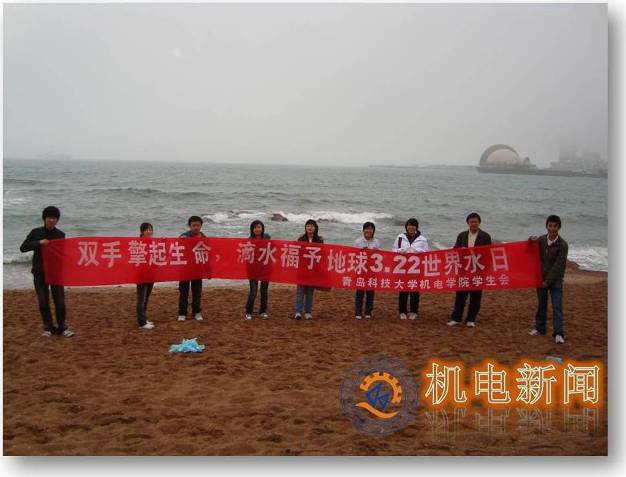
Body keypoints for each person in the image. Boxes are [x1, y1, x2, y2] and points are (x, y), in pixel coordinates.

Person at [20, 206, 74, 337]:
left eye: (54, 218)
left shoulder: (60, 235)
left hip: (56, 272)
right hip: (40, 272)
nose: (51, 220)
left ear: (57, 220)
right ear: (44, 219)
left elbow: (63, 253)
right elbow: (23, 247)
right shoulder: (36, 232)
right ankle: (48, 328)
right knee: (43, 301)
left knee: (60, 301)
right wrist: (39, 242)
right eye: (49, 218)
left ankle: (62, 328)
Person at [447, 212, 492, 328]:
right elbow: (455, 250)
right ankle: (456, 318)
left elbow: (488, 254)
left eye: (475, 222)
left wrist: (485, 271)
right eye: (471, 222)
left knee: (475, 296)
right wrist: (460, 250)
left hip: (478, 271)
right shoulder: (462, 235)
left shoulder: (485, 236)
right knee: (460, 296)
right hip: (463, 270)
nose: (473, 224)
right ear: (468, 223)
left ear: (479, 223)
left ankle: (471, 319)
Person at [528, 215, 568, 344]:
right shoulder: (541, 240)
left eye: (554, 226)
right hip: (541, 278)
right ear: (546, 226)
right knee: (541, 304)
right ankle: (540, 329)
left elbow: (559, 265)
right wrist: (530, 240)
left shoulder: (563, 244)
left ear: (559, 227)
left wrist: (548, 281)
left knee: (557, 306)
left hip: (556, 280)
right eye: (550, 226)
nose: (552, 228)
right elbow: (529, 248)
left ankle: (558, 333)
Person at [392, 218, 429, 320]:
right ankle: (402, 312)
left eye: (413, 225)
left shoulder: (422, 239)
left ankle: (414, 311)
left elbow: (427, 253)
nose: (411, 227)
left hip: (416, 269)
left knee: (415, 291)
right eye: (409, 225)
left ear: (416, 227)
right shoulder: (400, 237)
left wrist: (420, 252)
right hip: (403, 268)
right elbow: (393, 250)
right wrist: (399, 251)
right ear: (406, 227)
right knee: (403, 290)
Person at [177, 215, 206, 321]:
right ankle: (182, 313)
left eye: (198, 225)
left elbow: (208, 253)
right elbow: (175, 247)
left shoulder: (204, 237)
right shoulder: (184, 236)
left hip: (198, 269)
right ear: (189, 226)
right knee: (183, 292)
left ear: (201, 226)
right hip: (184, 269)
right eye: (193, 225)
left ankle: (196, 312)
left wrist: (208, 270)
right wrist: (180, 240)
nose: (196, 227)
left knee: (197, 292)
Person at [294, 219, 324, 320]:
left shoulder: (319, 240)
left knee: (310, 292)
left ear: (315, 228)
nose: (309, 227)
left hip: (313, 270)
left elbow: (322, 254)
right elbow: (297, 252)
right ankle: (298, 311)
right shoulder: (301, 239)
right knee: (300, 291)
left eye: (311, 226)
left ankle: (307, 312)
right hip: (302, 269)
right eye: (307, 226)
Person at [354, 221, 381, 320]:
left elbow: (380, 256)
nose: (368, 231)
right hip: (361, 269)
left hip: (372, 270)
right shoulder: (358, 241)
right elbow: (353, 255)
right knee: (360, 292)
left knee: (370, 292)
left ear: (373, 231)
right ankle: (358, 312)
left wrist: (373, 252)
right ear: (363, 230)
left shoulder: (377, 242)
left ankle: (368, 312)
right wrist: (362, 251)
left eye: (370, 229)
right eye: (366, 228)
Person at [245, 220, 271, 320]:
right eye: (255, 227)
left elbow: (272, 251)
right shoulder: (249, 240)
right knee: (253, 292)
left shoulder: (267, 237)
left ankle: (263, 311)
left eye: (259, 227)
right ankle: (248, 312)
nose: (257, 229)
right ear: (252, 229)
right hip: (253, 269)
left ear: (262, 228)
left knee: (264, 292)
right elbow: (246, 256)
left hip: (265, 269)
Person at [136, 222, 155, 329]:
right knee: (141, 298)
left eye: (150, 229)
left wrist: (164, 241)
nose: (149, 231)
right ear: (142, 231)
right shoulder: (137, 243)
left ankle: (144, 318)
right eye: (147, 229)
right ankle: (142, 322)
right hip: (141, 275)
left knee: (146, 297)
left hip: (151, 274)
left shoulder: (153, 243)